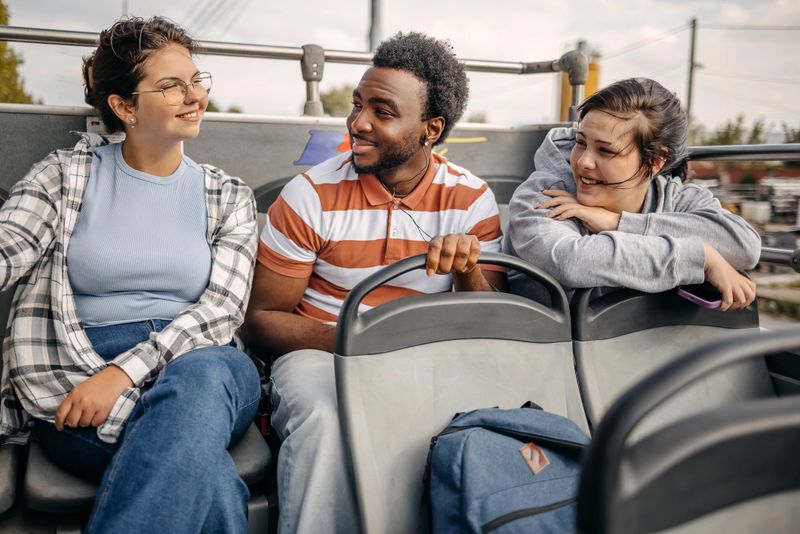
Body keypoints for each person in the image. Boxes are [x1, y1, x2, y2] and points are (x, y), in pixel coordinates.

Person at [0, 17, 259, 533]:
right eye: (170, 86)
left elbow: (221, 313)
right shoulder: (64, 176)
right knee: (199, 470)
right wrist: (104, 374)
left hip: (203, 365)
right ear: (124, 107)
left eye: (196, 79)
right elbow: (10, 246)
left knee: (201, 382)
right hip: (78, 375)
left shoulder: (229, 196)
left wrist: (122, 375)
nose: (195, 96)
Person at [242, 32, 504, 533]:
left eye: (381, 112)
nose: (357, 122)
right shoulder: (310, 195)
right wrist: (360, 339)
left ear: (430, 129)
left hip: (428, 358)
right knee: (323, 420)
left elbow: (488, 326)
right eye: (359, 104)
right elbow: (261, 322)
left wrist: (468, 268)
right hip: (320, 356)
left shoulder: (471, 200)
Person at [504, 77, 760, 310]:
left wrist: (619, 223)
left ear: (655, 162)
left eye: (606, 151)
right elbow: (568, 259)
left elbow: (745, 246)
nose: (583, 162)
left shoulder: (679, 199)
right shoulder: (543, 195)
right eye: (580, 143)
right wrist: (701, 257)